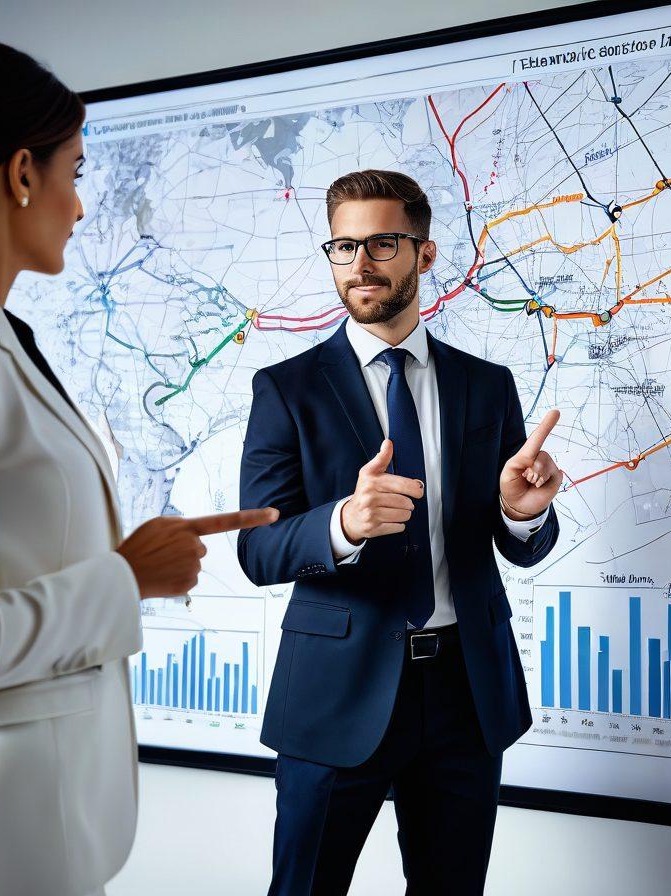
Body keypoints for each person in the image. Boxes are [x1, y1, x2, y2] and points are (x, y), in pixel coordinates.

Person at [0, 41, 276, 896]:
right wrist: (123, 577)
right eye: (74, 170)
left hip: (27, 832)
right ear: (20, 175)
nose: (81, 204)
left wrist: (132, 556)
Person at [237, 169, 562, 895]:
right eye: (343, 246)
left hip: (464, 691)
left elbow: (523, 544)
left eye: (382, 243)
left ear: (425, 252)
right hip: (334, 697)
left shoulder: (487, 385)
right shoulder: (285, 391)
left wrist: (521, 510)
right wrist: (343, 525)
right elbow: (257, 550)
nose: (360, 265)